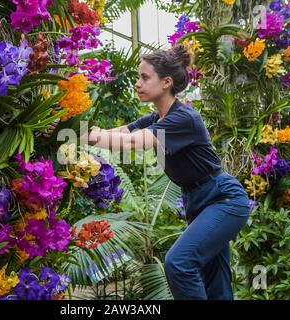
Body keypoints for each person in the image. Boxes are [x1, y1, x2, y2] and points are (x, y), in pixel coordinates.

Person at [85, 44, 251, 300]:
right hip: (199, 201)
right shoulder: (158, 118)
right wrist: (84, 132)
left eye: (144, 77)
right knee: (214, 279)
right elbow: (122, 132)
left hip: (223, 199)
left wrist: (93, 137)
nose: (138, 83)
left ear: (166, 82)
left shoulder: (183, 118)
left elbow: (131, 143)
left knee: (179, 263)